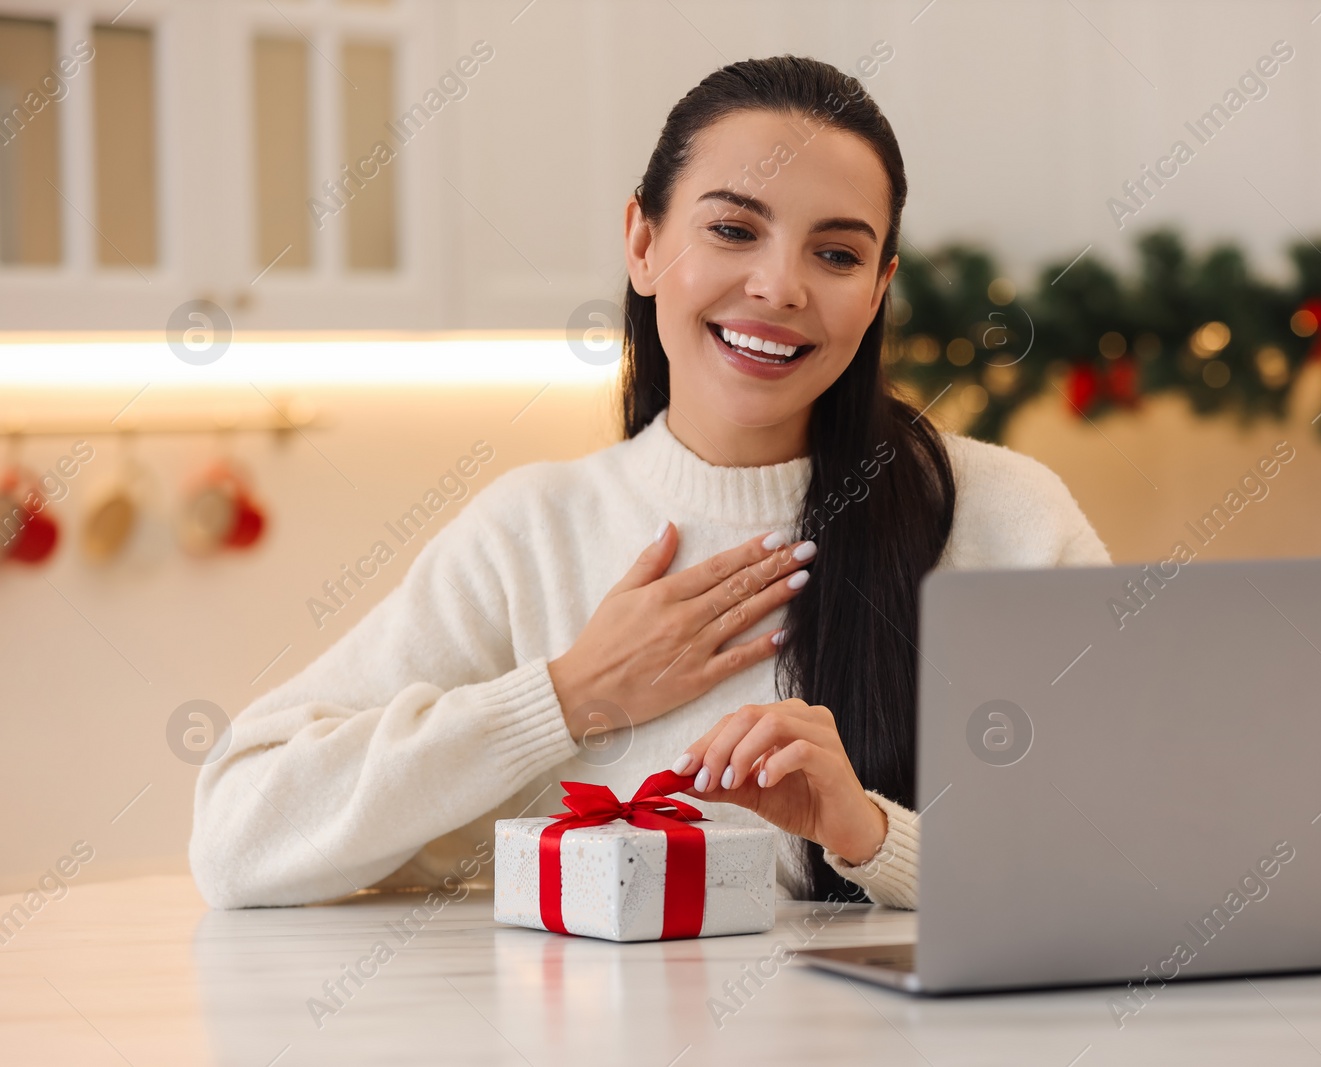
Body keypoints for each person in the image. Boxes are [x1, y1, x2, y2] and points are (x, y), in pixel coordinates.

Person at [190, 54, 1110, 912]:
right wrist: (566, 695)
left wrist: (867, 836)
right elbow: (238, 831)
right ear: (642, 240)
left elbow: (1116, 861)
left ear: (877, 291)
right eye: (733, 229)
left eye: (836, 254)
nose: (779, 285)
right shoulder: (530, 533)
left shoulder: (1006, 519)